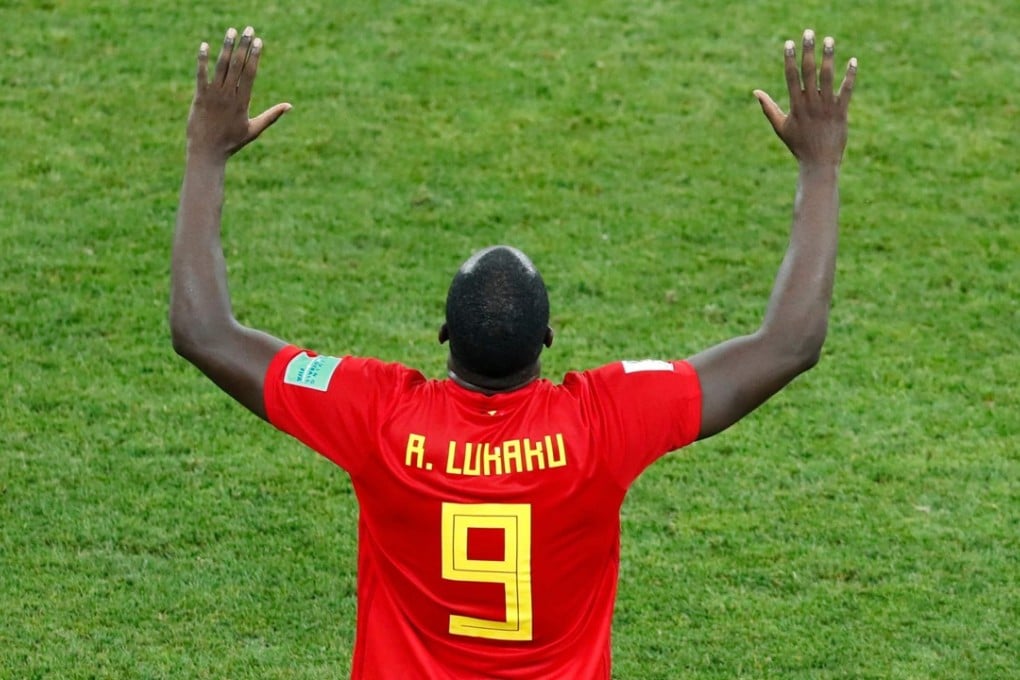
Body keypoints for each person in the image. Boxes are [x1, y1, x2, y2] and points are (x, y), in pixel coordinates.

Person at [170, 24, 856, 679]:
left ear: (443, 334)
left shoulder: (379, 418)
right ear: (549, 339)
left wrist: (206, 151)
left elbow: (205, 331)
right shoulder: (602, 425)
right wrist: (820, 165)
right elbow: (788, 343)